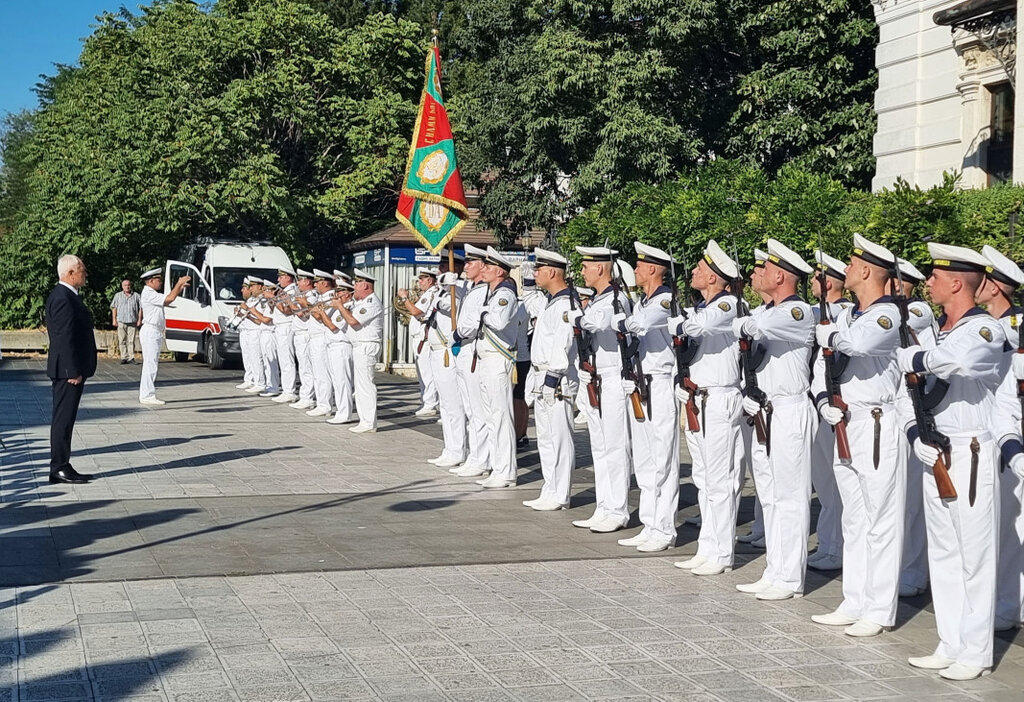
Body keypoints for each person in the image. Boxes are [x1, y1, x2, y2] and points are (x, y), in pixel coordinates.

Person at [896, 243, 1007, 681]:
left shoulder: (986, 331)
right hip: (935, 448)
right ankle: (951, 640)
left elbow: (961, 364)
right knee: (943, 553)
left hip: (971, 451)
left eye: (935, 277)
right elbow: (909, 394)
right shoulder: (935, 332)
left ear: (956, 282)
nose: (928, 283)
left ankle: (977, 651)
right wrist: (913, 434)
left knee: (974, 554)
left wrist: (918, 357)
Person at [810, 233, 903, 638]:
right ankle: (855, 599)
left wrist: (829, 335)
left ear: (866, 270)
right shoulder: (847, 315)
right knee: (855, 515)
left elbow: (860, 344)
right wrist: (821, 401)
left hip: (877, 423)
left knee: (881, 517)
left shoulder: (889, 315)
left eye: (849, 264)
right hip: (844, 419)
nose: (843, 270)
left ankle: (880, 608)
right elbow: (821, 368)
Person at [731, 238, 815, 601]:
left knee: (792, 497)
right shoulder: (769, 311)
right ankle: (775, 569)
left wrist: (744, 324)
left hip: (790, 409)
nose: (755, 273)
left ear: (780, 276)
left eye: (763, 268)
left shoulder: (797, 313)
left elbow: (750, 328)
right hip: (766, 409)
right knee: (772, 496)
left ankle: (791, 577)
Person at [668, 239, 743, 573]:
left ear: (714, 277)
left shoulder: (729, 305)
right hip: (698, 398)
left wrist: (681, 324)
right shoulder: (702, 308)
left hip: (721, 398)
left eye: (700, 268)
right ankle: (708, 547)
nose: (695, 272)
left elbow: (704, 326)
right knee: (704, 477)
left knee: (721, 479)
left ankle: (723, 552)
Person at [613, 242, 681, 553]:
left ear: (653, 269)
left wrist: (621, 322)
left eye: (640, 266)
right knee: (645, 459)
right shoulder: (644, 300)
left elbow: (643, 324)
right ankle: (650, 521)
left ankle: (664, 528)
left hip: (662, 384)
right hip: (642, 383)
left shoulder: (666, 300)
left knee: (663, 458)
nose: (636, 271)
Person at [568, 246, 633, 534]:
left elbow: (600, 322)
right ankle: (604, 505)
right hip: (597, 376)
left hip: (615, 375)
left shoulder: (617, 300)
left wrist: (578, 319)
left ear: (600, 268)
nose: (582, 271)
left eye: (586, 266)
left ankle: (618, 509)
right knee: (601, 446)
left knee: (615, 446)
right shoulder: (600, 299)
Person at [976, 245, 1024, 632]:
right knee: (1006, 525)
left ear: (996, 286)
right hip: (997, 434)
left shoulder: (1014, 326)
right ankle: (1007, 604)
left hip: (1010, 433)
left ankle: (1009, 605)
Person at [456, 247, 521, 488]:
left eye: (487, 267)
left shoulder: (505, 294)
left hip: (498, 359)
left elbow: (498, 320)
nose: (482, 269)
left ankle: (506, 471)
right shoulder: (492, 295)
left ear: (500, 272)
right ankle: (497, 466)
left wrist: (482, 314)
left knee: (501, 417)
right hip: (485, 358)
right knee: (491, 417)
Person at [518, 248, 578, 510]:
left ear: (553, 272)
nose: (536, 273)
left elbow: (563, 344)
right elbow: (532, 299)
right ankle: (549, 488)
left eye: (539, 269)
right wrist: (528, 279)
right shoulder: (552, 301)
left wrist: (552, 378)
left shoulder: (565, 304)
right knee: (545, 437)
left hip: (557, 380)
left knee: (559, 438)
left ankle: (560, 493)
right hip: (542, 374)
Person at [807, 250, 855, 573]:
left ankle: (837, 548)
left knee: (839, 482)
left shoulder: (845, 313)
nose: (812, 280)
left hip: (837, 407)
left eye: (817, 276)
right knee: (823, 481)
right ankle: (827, 543)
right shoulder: (812, 312)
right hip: (818, 401)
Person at [896, 258, 936, 598]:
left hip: (918, 405)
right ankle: (908, 566)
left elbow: (905, 320)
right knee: (907, 498)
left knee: (912, 501)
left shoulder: (918, 310)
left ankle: (913, 571)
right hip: (903, 407)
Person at [46, 254, 98, 484]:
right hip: (68, 371)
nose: (85, 274)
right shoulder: (63, 298)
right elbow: (63, 337)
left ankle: (61, 464)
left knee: (66, 419)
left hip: (70, 369)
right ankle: (58, 466)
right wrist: (72, 370)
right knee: (63, 420)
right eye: (82, 270)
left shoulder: (67, 296)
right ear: (70, 273)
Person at [336, 268, 383, 433]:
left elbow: (353, 322)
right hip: (359, 345)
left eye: (356, 283)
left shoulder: (371, 302)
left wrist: (340, 306)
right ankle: (365, 420)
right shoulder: (361, 302)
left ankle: (369, 422)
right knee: (361, 385)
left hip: (366, 345)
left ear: (365, 285)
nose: (354, 286)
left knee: (366, 385)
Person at [138, 267, 190, 405]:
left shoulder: (150, 293)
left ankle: (147, 393)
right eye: (158, 280)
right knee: (150, 364)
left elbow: (169, 299)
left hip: (153, 330)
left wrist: (179, 288)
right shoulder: (149, 293)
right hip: (151, 330)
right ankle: (147, 395)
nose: (160, 282)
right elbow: (169, 298)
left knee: (151, 363)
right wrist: (178, 284)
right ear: (151, 281)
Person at [398, 268, 441, 417]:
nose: (419, 282)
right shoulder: (427, 294)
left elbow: (416, 312)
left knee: (427, 373)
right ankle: (427, 401)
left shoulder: (431, 293)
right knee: (422, 373)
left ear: (430, 280)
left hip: (424, 338)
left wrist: (404, 298)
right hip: (419, 338)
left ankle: (430, 403)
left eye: (422, 279)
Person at [304, 270, 337, 417]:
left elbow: (320, 317)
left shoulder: (330, 297)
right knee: (317, 373)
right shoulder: (321, 297)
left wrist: (307, 305)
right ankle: (321, 402)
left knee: (322, 373)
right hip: (314, 337)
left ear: (324, 283)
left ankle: (325, 405)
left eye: (317, 282)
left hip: (321, 337)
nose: (315, 284)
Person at [287, 270, 318, 410]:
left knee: (306, 367)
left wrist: (290, 303)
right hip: (300, 333)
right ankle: (305, 395)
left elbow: (303, 314)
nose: (297, 283)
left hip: (305, 333)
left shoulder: (311, 296)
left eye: (300, 280)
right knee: (303, 366)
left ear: (306, 281)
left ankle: (308, 397)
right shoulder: (303, 295)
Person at [270, 268, 299, 404]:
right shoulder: (285, 291)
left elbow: (287, 311)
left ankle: (289, 391)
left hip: (286, 326)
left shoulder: (292, 291)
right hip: (280, 326)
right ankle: (286, 389)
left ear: (288, 277)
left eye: (281, 277)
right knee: (283, 360)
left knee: (287, 360)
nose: (278, 280)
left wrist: (274, 300)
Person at [234, 278, 266, 392]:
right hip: (247, 330)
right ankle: (250, 379)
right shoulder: (252, 300)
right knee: (248, 357)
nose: (243, 290)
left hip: (255, 331)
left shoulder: (261, 300)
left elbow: (260, 317)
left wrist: (246, 310)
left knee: (257, 358)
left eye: (247, 287)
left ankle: (259, 382)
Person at [109, 279, 142, 364]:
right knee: (122, 340)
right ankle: (124, 357)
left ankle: (131, 357)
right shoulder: (118, 295)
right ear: (122, 286)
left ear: (131, 286)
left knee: (131, 340)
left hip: (132, 321)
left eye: (128, 285)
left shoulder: (136, 296)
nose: (127, 287)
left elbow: (140, 309)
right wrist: (114, 319)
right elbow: (114, 308)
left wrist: (139, 320)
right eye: (125, 285)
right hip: (121, 321)